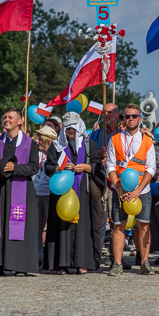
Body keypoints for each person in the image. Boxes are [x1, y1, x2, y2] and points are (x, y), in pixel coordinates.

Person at [44, 112, 105, 273]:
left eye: (73, 128)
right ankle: (62, 263)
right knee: (62, 227)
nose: (71, 131)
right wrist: (60, 167)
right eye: (68, 128)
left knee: (83, 227)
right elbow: (48, 168)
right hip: (61, 193)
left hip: (82, 192)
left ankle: (81, 262)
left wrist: (85, 167)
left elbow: (98, 167)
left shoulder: (89, 145)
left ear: (79, 128)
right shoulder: (57, 145)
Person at [0, 108, 40, 276]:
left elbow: (34, 167)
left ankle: (21, 266)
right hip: (0, 190)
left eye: (10, 117)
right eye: (4, 117)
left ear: (20, 121)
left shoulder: (30, 143)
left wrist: (15, 168)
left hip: (21, 189)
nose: (6, 119)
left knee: (19, 227)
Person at [107, 104, 156, 276]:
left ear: (140, 119)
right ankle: (117, 263)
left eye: (134, 116)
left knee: (143, 226)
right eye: (127, 116)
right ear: (123, 119)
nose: (130, 119)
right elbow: (110, 166)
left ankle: (144, 262)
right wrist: (119, 189)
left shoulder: (147, 141)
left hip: (142, 190)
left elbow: (151, 169)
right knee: (118, 226)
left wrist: (138, 191)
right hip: (120, 189)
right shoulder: (114, 139)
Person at [34, 125, 59, 266]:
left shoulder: (55, 153)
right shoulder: (36, 153)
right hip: (36, 192)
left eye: (40, 138)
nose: (38, 141)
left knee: (51, 226)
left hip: (50, 192)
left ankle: (50, 257)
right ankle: (37, 256)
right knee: (37, 227)